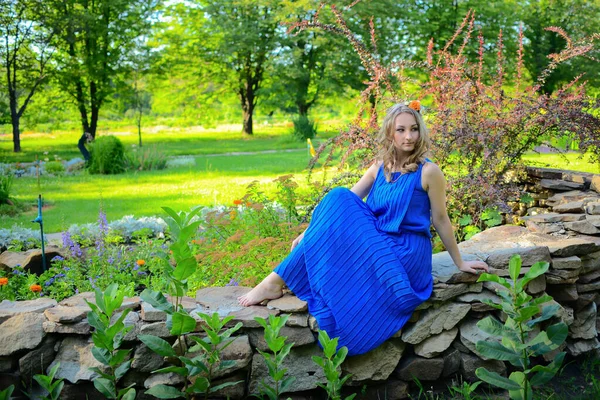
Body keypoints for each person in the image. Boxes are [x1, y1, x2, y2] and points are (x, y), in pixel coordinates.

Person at [238, 102, 489, 355]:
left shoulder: (429, 172)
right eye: (401, 130)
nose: (409, 136)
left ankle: (274, 281)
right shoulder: (380, 166)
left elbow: (441, 219)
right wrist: (309, 232)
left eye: (414, 129)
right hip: (378, 239)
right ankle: (275, 280)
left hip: (405, 251)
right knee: (338, 196)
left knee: (339, 201)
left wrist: (460, 263)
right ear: (390, 133)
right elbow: (343, 205)